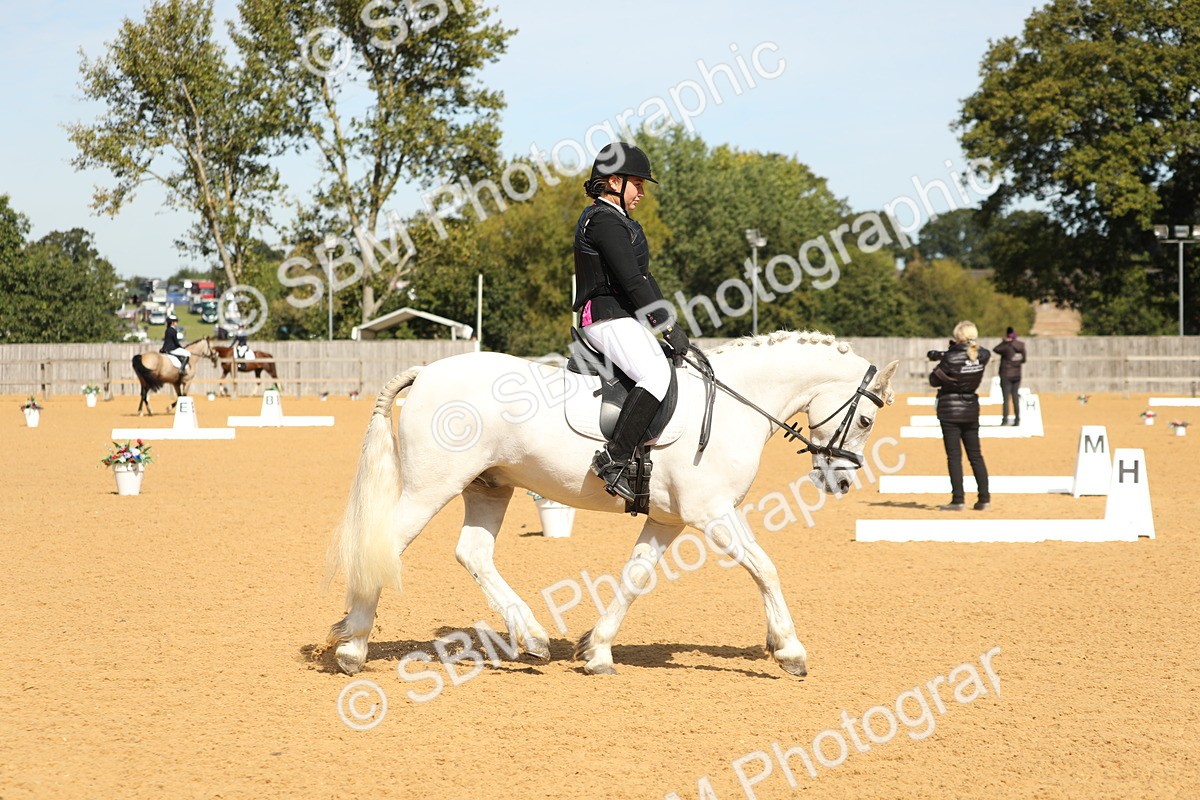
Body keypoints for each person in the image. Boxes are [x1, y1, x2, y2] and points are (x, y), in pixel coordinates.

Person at [573, 142, 689, 501]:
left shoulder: (619, 220)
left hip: (621, 317)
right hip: (605, 316)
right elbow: (631, 281)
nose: (641, 192)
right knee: (655, 374)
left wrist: (671, 323)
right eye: (637, 184)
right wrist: (665, 327)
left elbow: (645, 277)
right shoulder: (604, 220)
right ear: (613, 181)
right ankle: (614, 458)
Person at [929, 320, 991, 511]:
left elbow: (934, 380)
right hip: (971, 407)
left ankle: (958, 499)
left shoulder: (950, 358)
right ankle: (984, 498)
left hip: (950, 409)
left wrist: (944, 356)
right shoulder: (982, 355)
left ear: (958, 337)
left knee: (954, 456)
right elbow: (981, 353)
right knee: (976, 455)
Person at [993, 326, 1026, 426]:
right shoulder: (1021, 346)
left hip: (1006, 374)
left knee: (1006, 399)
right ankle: (1017, 420)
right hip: (1017, 374)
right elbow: (1023, 360)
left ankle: (1005, 420)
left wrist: (1005, 342)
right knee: (1015, 397)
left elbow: (996, 349)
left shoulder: (1006, 346)